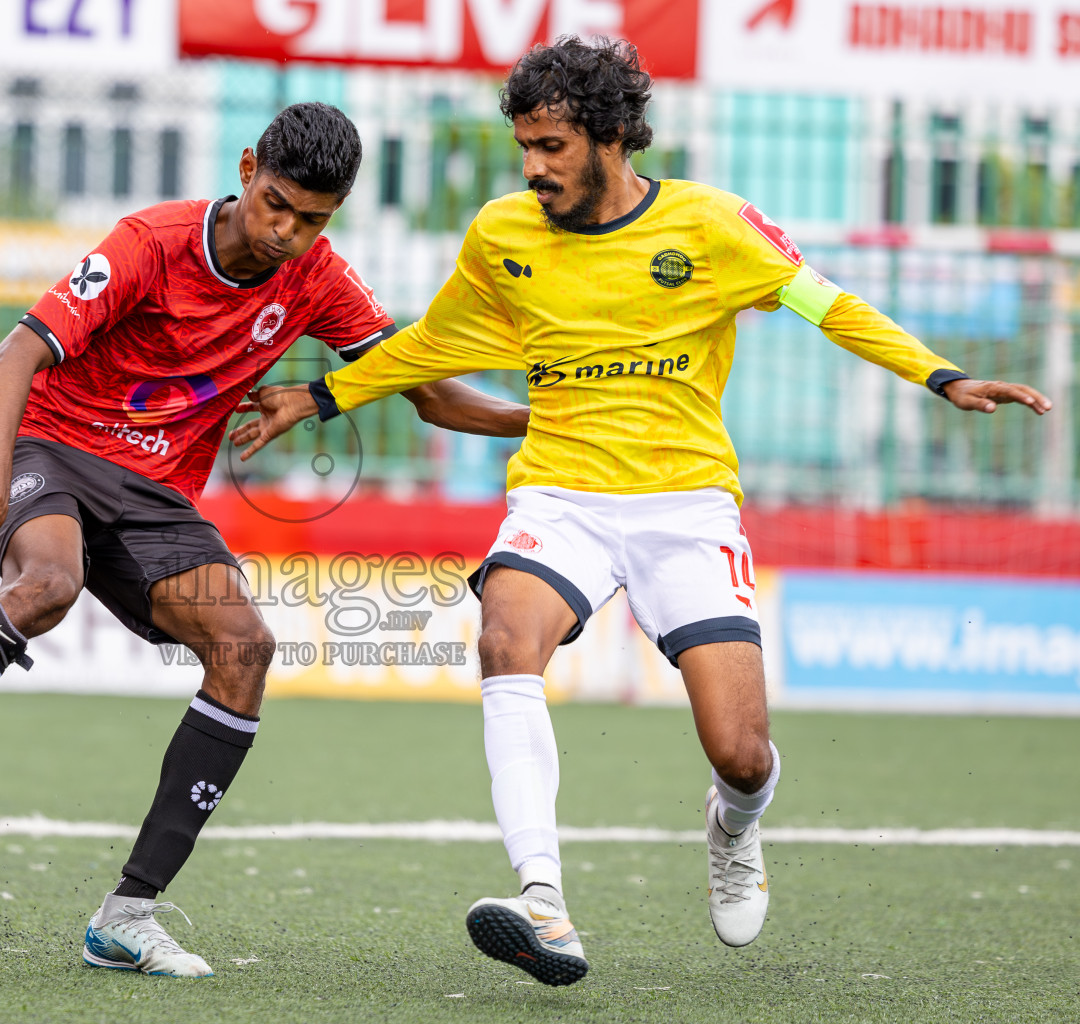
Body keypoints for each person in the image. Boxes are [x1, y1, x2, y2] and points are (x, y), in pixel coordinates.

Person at [233, 40, 1052, 987]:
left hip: (685, 505)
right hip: (561, 495)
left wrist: (940, 376)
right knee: (505, 640)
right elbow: (429, 343)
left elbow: (827, 303)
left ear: (612, 137)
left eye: (550, 146)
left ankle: (734, 830)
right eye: (524, 147)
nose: (531, 167)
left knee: (742, 754)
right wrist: (322, 397)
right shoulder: (502, 236)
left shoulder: (712, 225)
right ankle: (544, 901)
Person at [0, 102, 529, 978]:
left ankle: (126, 916)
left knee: (246, 648)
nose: (287, 233)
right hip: (51, 449)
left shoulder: (320, 279)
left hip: (155, 499)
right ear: (249, 168)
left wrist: (552, 418)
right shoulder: (151, 242)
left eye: (314, 219)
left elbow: (429, 392)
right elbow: (10, 360)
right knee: (47, 585)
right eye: (277, 205)